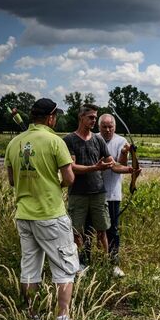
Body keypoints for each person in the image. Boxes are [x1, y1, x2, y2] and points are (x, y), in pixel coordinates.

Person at [4, 97, 85, 320]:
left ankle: (33, 319)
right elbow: (69, 179)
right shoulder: (55, 141)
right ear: (50, 117)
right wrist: (61, 174)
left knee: (29, 269)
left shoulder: (14, 143)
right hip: (50, 214)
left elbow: (11, 181)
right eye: (55, 116)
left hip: (24, 215)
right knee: (64, 267)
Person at [63, 104, 114, 270]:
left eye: (95, 117)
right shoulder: (69, 140)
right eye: (91, 117)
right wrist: (95, 167)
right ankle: (79, 264)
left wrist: (129, 168)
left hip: (98, 192)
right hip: (77, 193)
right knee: (77, 231)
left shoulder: (98, 139)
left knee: (102, 230)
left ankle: (104, 265)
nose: (94, 120)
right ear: (81, 118)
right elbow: (71, 167)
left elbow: (109, 161)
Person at [97, 113, 141, 276]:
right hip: (94, 193)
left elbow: (121, 164)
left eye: (111, 127)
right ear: (99, 127)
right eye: (104, 126)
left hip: (113, 194)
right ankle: (94, 261)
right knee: (94, 229)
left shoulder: (121, 141)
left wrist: (124, 153)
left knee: (112, 230)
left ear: (115, 127)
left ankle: (113, 263)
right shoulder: (94, 138)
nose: (108, 130)